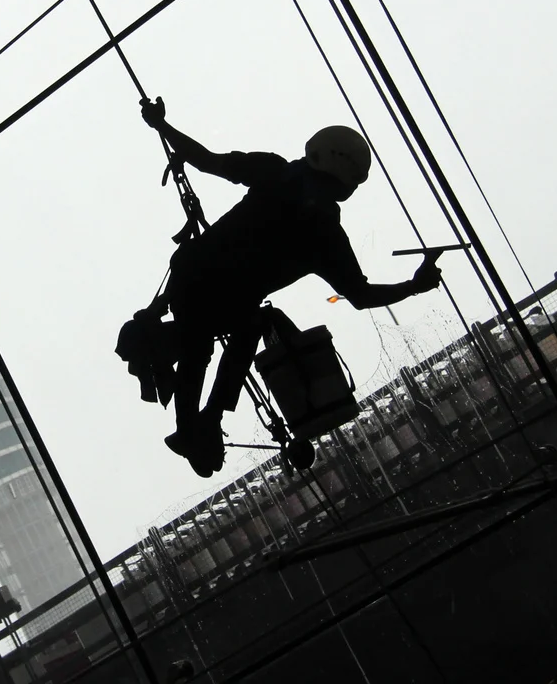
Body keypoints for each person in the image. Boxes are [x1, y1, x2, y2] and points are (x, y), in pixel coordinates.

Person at [138, 99, 444, 476]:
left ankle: (193, 428)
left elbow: (206, 160)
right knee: (240, 329)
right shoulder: (325, 232)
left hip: (191, 274)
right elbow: (362, 296)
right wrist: (414, 286)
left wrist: (160, 126)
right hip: (226, 299)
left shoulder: (275, 172)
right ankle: (203, 422)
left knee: (197, 347)